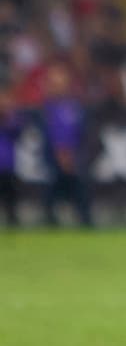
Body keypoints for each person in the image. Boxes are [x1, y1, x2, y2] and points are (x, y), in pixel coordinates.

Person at [38, 64, 94, 227]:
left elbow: (79, 131)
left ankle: (85, 220)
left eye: (61, 81)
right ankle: (50, 220)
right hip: (52, 157)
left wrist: (71, 154)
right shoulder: (45, 108)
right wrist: (60, 153)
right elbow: (51, 132)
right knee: (52, 189)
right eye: (54, 82)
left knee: (80, 189)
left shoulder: (74, 107)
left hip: (75, 156)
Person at [0, 85, 25, 226]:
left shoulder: (13, 117)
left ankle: (12, 221)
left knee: (10, 198)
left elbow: (17, 130)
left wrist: (7, 115)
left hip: (8, 164)